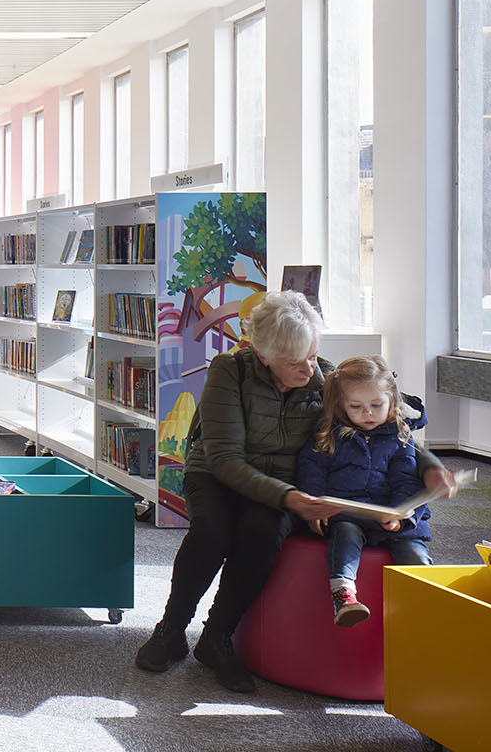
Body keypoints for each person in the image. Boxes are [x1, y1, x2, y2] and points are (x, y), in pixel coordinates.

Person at [134, 291, 456, 693]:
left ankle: (216, 637)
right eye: (294, 361)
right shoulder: (228, 371)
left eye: (313, 355)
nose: (309, 368)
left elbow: (389, 430)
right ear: (264, 356)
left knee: (262, 534)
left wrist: (431, 467)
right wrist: (289, 498)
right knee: (212, 532)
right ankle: (170, 630)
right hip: (217, 473)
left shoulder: (326, 378)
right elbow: (225, 459)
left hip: (287, 482)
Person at [295, 355, 433, 627]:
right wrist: (315, 506)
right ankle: (344, 597)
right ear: (340, 404)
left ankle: (428, 603)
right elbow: (312, 470)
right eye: (356, 406)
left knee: (414, 554)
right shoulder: (329, 433)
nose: (367, 413)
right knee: (345, 537)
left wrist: (400, 516)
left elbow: (407, 481)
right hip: (348, 513)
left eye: (376, 405)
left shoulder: (400, 437)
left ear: (391, 400)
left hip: (391, 518)